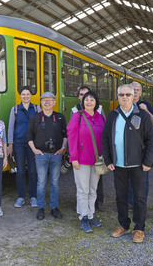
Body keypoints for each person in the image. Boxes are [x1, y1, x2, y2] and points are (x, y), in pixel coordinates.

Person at [102, 85, 153, 243]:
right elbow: (105, 139)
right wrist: (108, 160)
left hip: (138, 165)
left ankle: (139, 228)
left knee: (139, 197)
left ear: (134, 96)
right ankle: (123, 225)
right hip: (118, 165)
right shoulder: (112, 115)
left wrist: (148, 161)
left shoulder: (143, 115)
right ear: (117, 96)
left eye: (128, 94)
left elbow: (151, 140)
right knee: (120, 197)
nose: (124, 97)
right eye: (121, 94)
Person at [67, 91, 105, 233]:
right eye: (86, 100)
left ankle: (90, 215)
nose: (89, 102)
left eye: (92, 100)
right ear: (83, 102)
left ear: (96, 102)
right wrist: (74, 158)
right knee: (83, 190)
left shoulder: (100, 118)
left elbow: (105, 137)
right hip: (81, 160)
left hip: (96, 160)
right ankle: (83, 217)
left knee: (93, 190)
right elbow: (71, 138)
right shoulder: (78, 116)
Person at [27, 92, 67, 220]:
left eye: (50, 100)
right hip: (41, 154)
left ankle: (54, 207)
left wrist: (63, 148)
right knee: (41, 182)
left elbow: (65, 135)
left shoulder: (60, 117)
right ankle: (41, 208)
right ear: (41, 102)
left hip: (56, 155)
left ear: (54, 102)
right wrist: (34, 150)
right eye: (44, 100)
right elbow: (29, 137)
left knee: (55, 182)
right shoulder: (35, 117)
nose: (47, 102)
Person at [7, 86, 41, 208]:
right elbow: (11, 127)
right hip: (19, 144)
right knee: (20, 171)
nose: (25, 96)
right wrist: (10, 145)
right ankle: (20, 197)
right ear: (20, 96)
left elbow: (40, 127)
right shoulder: (15, 109)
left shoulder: (36, 108)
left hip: (33, 144)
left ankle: (33, 197)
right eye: (23, 94)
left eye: (27, 94)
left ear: (31, 95)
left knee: (33, 171)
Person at [127, 81, 153, 207]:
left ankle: (141, 203)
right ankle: (130, 203)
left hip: (142, 148)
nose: (135, 92)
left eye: (137, 90)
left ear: (141, 93)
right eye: (133, 89)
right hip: (128, 148)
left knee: (143, 178)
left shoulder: (145, 105)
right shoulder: (124, 104)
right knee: (129, 178)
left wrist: (147, 111)